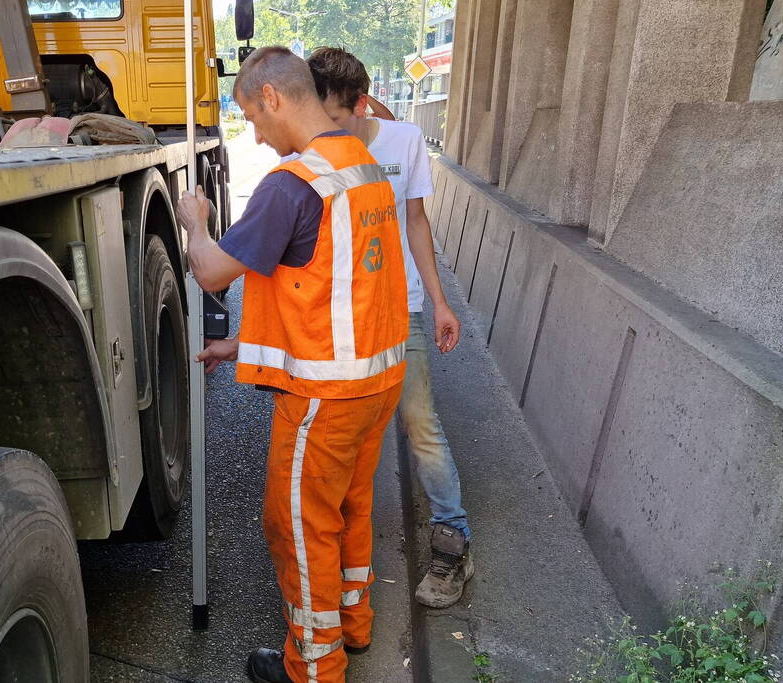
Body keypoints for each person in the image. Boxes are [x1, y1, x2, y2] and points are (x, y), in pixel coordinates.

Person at [176, 46, 409, 683]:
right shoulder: (360, 163)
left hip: (324, 398)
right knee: (350, 509)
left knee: (297, 526)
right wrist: (242, 347)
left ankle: (314, 667)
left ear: (274, 98)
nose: (253, 132)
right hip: (375, 384)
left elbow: (211, 271)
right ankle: (354, 627)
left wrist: (196, 222)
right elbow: (330, 291)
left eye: (251, 115)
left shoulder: (291, 184)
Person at [305, 47, 473, 609]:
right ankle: (346, 559)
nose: (323, 127)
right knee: (344, 437)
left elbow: (417, 223)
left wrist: (440, 304)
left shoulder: (403, 142)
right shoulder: (312, 151)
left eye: (332, 115)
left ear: (357, 103)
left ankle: (453, 547)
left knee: (420, 427)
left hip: (402, 311)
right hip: (342, 318)